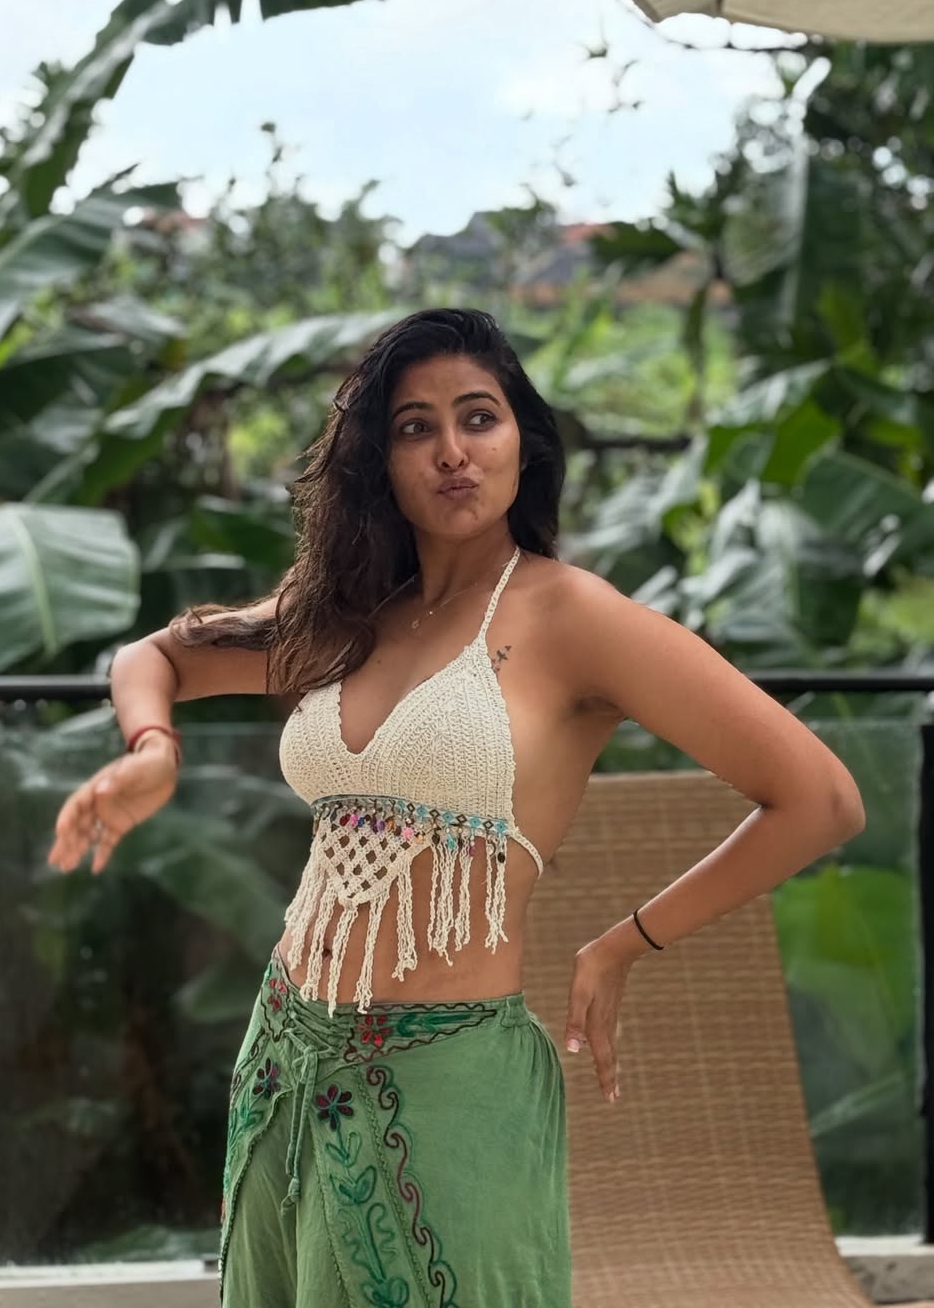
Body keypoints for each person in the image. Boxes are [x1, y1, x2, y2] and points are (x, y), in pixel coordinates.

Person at [48, 307, 866, 1307]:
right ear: (379, 463)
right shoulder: (346, 612)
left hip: (449, 1074)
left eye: (479, 418)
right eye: (414, 428)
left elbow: (820, 798)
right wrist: (154, 751)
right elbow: (156, 657)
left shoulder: (576, 617)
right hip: (285, 1060)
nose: (451, 452)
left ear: (524, 438)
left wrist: (627, 941)